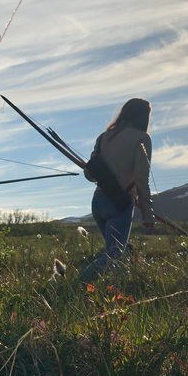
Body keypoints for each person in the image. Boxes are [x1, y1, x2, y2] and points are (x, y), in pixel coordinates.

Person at [80, 98, 154, 283]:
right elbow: (141, 178)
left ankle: (116, 287)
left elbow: (89, 174)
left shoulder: (104, 137)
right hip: (119, 204)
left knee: (118, 253)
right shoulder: (142, 139)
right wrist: (147, 212)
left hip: (98, 202)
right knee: (113, 256)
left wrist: (106, 175)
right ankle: (75, 286)